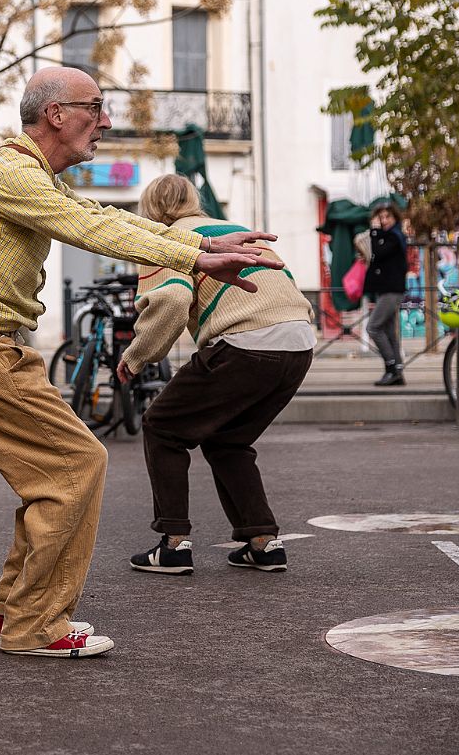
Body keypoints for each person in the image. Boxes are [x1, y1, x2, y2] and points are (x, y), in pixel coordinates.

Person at [0, 67, 282, 659]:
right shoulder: (10, 173)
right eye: (96, 107)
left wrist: (203, 244)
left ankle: (12, 612)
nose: (105, 121)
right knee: (76, 465)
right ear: (56, 115)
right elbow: (87, 228)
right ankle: (35, 624)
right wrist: (195, 256)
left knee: (56, 474)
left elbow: (106, 216)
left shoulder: (33, 174)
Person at [117, 174, 315, 577]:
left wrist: (138, 356)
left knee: (161, 427)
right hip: (299, 343)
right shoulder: (234, 229)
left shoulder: (164, 240)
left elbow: (172, 300)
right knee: (228, 440)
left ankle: (173, 545)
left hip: (245, 342)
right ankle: (262, 542)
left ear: (149, 209)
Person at [357, 202, 408, 386]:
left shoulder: (394, 236)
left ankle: (391, 366)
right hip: (387, 290)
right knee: (389, 331)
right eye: (381, 217)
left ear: (395, 218)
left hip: (392, 291)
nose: (384, 220)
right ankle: (397, 372)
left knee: (373, 327)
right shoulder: (390, 236)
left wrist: (375, 231)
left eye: (388, 217)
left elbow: (378, 253)